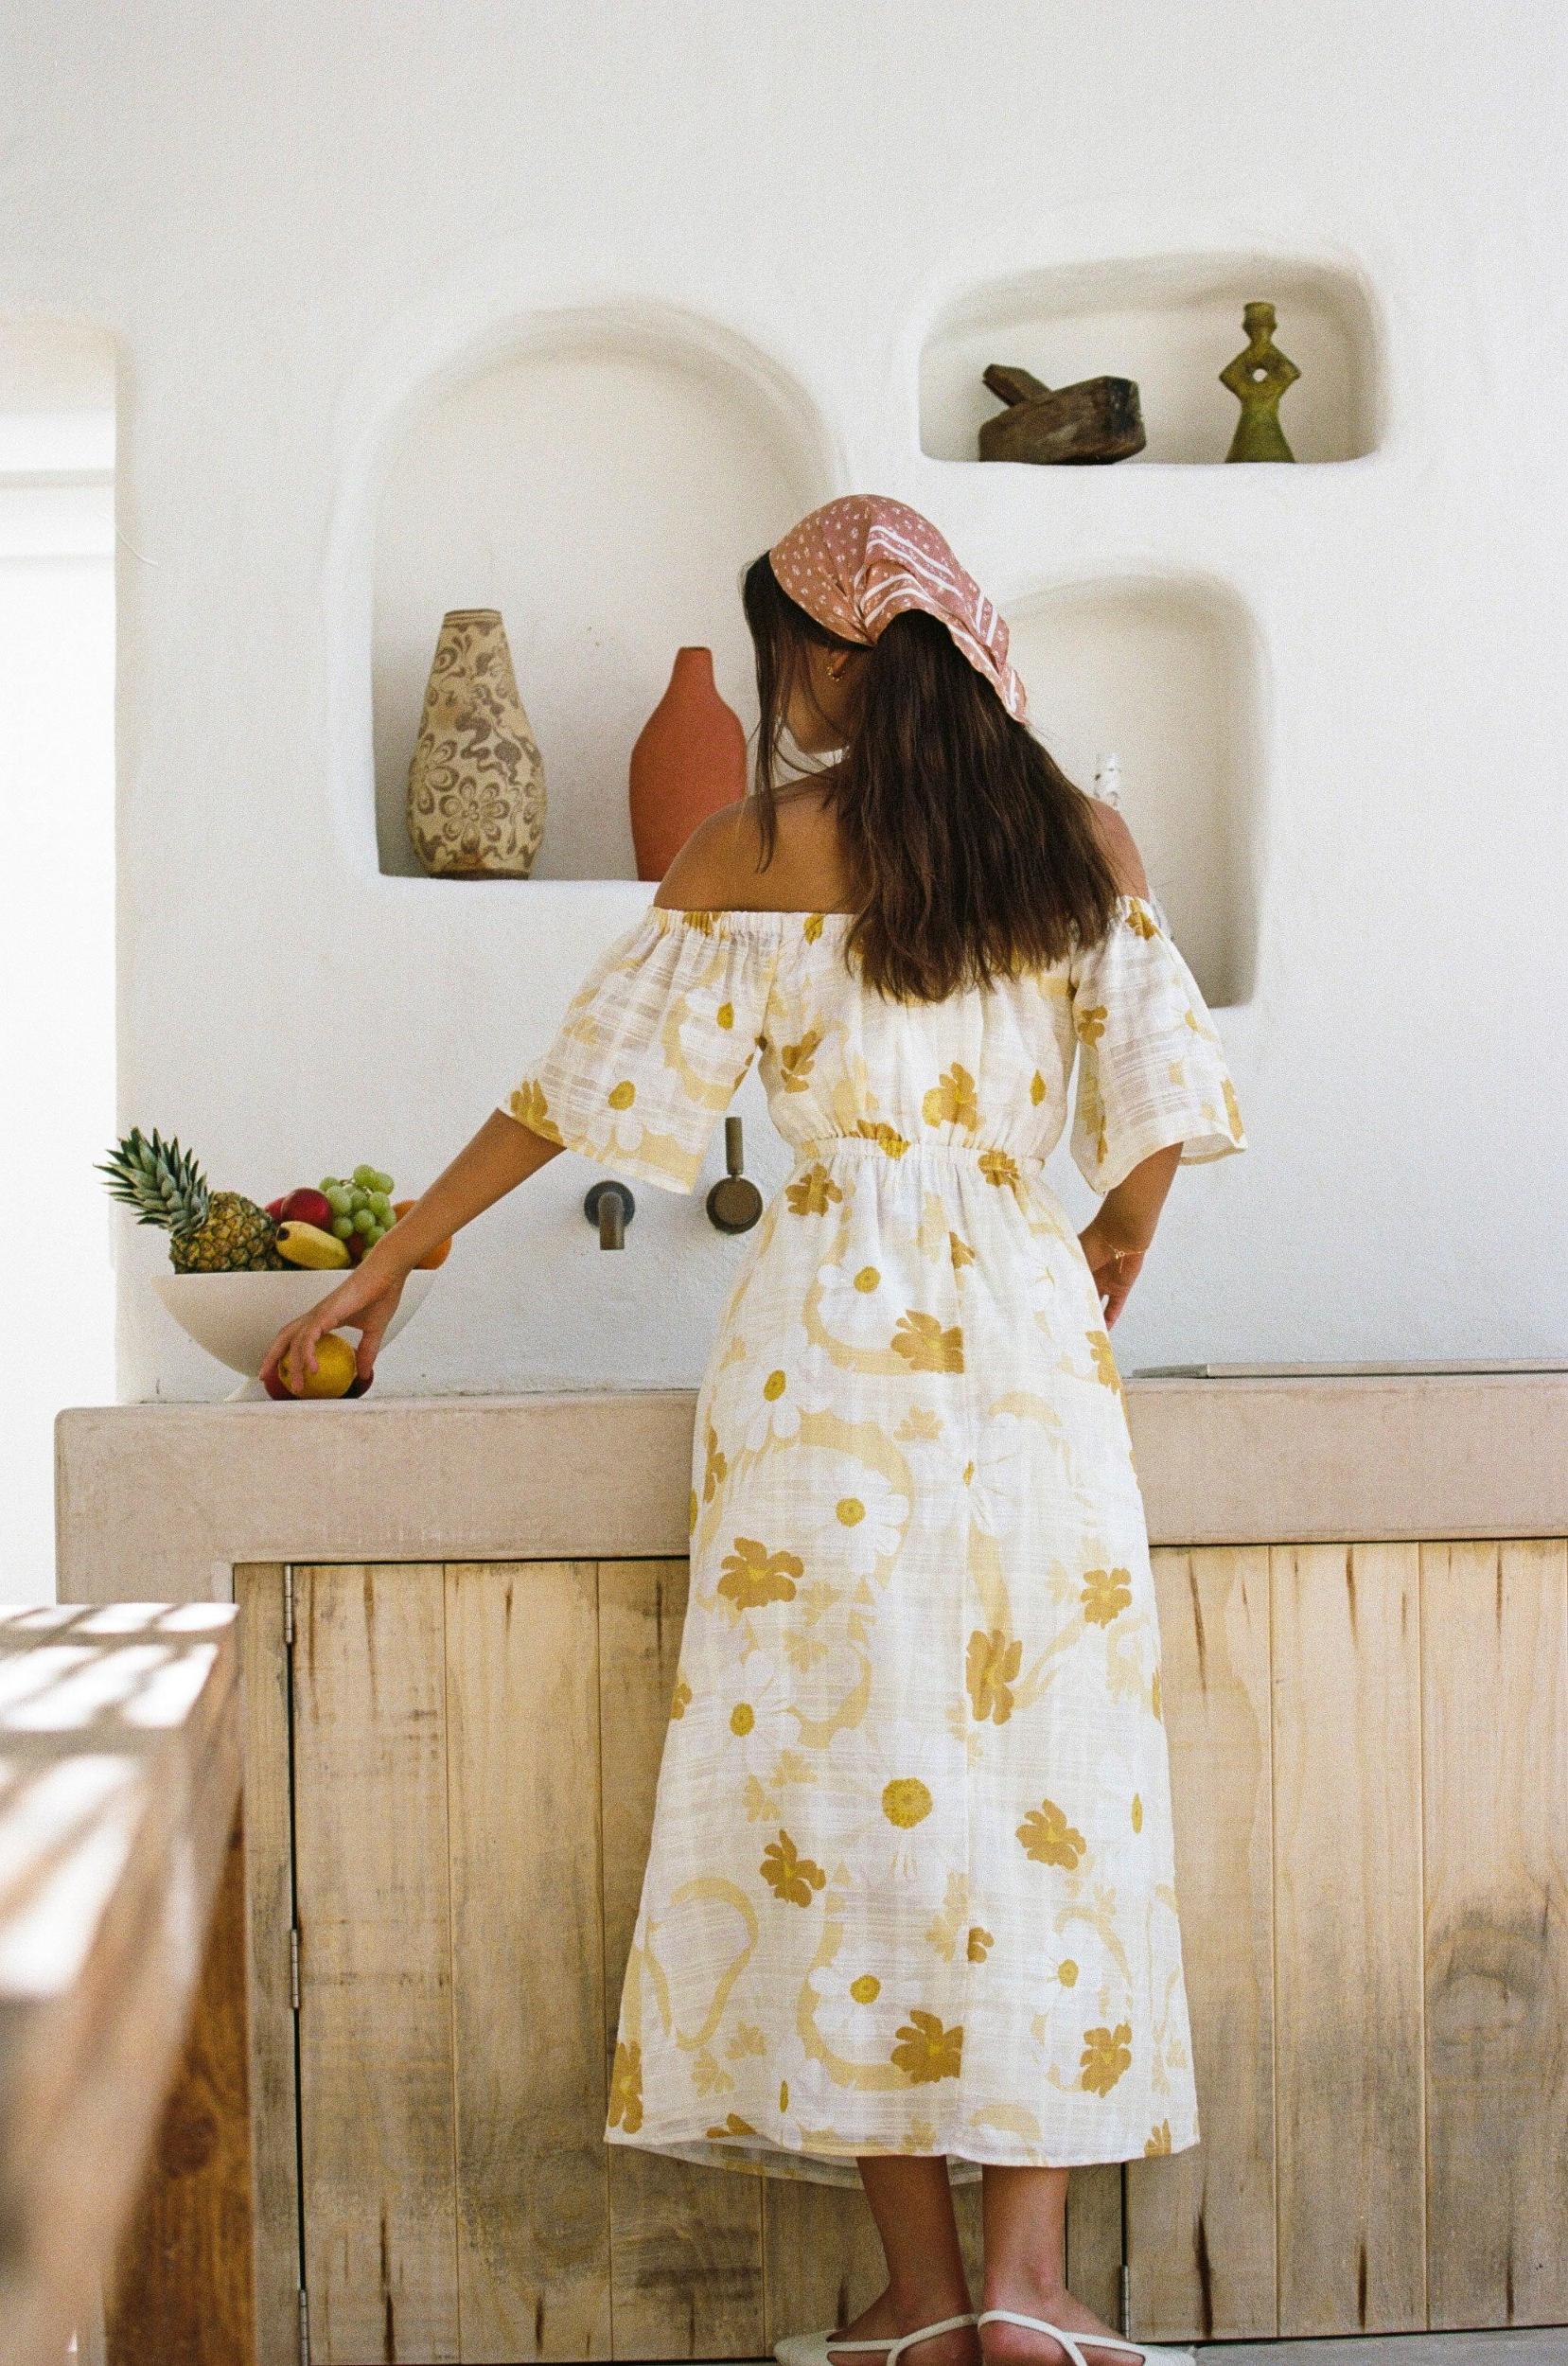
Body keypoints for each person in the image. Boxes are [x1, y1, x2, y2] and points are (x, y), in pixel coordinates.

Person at [262, 495, 1246, 2366]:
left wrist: (400, 1248)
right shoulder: (1077, 837)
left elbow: (571, 1095)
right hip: (1024, 1343)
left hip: (822, 1350)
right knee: (1047, 1782)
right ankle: (1031, 2292)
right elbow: (1156, 1105)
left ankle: (916, 2296)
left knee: (837, 1781)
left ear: (831, 651)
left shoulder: (755, 842)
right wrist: (1106, 1240)